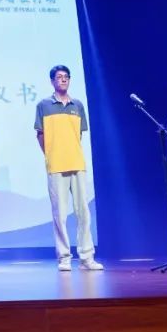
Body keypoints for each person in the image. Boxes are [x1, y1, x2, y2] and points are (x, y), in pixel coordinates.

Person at [34, 65, 103, 271]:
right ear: (52, 81)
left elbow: (78, 135)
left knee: (83, 213)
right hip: (56, 165)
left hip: (77, 163)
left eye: (66, 77)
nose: (63, 80)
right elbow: (40, 134)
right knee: (60, 215)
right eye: (59, 77)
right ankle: (64, 258)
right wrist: (51, 155)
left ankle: (87, 258)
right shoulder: (43, 105)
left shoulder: (77, 105)